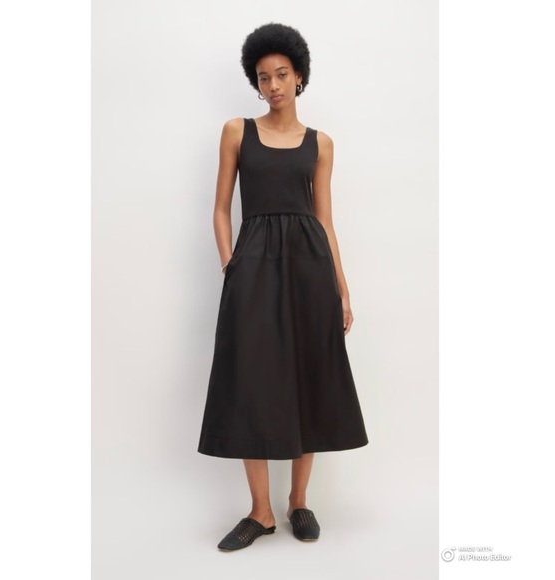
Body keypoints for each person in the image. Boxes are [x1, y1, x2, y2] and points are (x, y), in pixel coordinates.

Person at [197, 22, 369, 551]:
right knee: (250, 380)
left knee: (307, 377)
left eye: (281, 74)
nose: (272, 85)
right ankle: (261, 511)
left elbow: (325, 221)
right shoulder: (236, 131)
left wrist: (341, 287)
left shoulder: (321, 144)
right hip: (253, 269)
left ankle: (298, 502)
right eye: (263, 77)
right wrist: (231, 266)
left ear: (299, 77)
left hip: (309, 269)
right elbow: (221, 209)